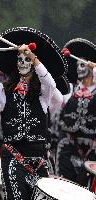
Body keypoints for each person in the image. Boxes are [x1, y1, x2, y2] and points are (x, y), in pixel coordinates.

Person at [0, 27, 69, 199]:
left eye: (27, 59)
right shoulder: (2, 91)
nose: (23, 62)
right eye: (19, 59)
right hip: (13, 159)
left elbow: (50, 84)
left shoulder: (43, 93)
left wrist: (35, 59)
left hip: (39, 160)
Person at [56, 38, 96, 186]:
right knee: (64, 188)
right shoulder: (70, 90)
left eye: (83, 64)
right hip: (68, 147)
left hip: (92, 149)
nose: (79, 68)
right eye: (77, 65)